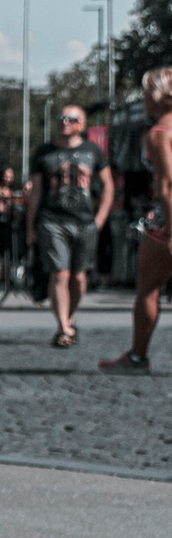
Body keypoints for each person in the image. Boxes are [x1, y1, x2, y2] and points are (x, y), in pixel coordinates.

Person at [101, 69, 172, 374]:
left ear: (158, 95)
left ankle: (137, 357)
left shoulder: (160, 133)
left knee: (148, 288)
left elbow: (167, 186)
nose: (143, 99)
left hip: (166, 218)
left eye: (145, 93)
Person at [29, 104, 113, 348]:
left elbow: (108, 186)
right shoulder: (44, 152)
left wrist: (100, 218)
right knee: (59, 273)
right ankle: (64, 328)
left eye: (71, 118)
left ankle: (68, 316)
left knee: (78, 278)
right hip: (52, 220)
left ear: (82, 124)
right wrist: (31, 227)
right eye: (61, 117)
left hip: (84, 221)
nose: (64, 121)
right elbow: (35, 192)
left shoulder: (93, 151)